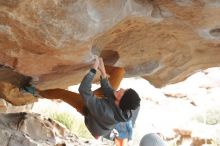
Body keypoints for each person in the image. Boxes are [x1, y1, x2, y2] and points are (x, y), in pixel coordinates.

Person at [33, 56, 141, 138]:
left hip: (90, 111)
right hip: (102, 104)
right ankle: (95, 62)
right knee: (120, 71)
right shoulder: (124, 106)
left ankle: (37, 92)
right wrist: (102, 71)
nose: (121, 89)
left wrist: (93, 70)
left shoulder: (105, 111)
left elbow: (84, 90)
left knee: (62, 94)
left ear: (121, 100)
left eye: (123, 92)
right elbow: (109, 92)